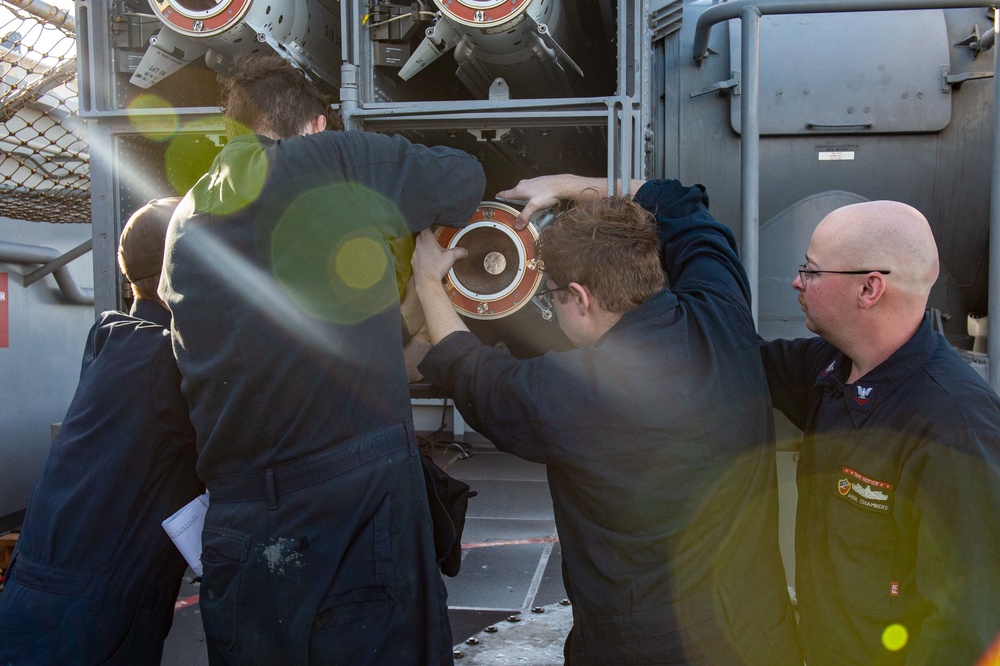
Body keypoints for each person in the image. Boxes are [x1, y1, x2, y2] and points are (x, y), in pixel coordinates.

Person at [158, 53, 485, 665]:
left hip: (238, 514)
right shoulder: (329, 158)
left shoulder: (184, 218)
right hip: (353, 510)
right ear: (315, 125)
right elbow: (462, 178)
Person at [410, 174, 801, 665]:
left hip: (646, 650)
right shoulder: (722, 310)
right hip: (758, 631)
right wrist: (571, 184)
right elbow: (682, 204)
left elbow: (473, 374)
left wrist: (427, 280)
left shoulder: (581, 391)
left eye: (551, 295)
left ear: (580, 296)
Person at [760, 200, 1000, 664]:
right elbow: (738, 357)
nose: (797, 281)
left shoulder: (956, 428)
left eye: (811, 271)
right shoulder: (829, 368)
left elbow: (965, 629)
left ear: (869, 288)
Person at [0, 198, 203, 664]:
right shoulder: (164, 361)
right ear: (186, 274)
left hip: (43, 610)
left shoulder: (113, 343)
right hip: (86, 626)